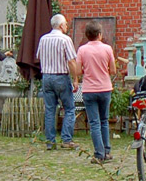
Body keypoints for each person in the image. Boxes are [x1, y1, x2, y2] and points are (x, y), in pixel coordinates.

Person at [36, 13, 81, 149]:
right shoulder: (65, 39)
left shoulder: (43, 39)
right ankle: (66, 139)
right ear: (61, 25)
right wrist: (75, 79)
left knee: (50, 110)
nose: (67, 26)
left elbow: (38, 56)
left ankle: (50, 141)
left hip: (46, 76)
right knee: (69, 108)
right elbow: (71, 61)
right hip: (61, 76)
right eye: (66, 24)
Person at [76, 21, 118, 164]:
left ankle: (99, 153)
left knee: (94, 123)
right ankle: (107, 151)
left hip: (89, 89)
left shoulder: (82, 50)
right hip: (105, 88)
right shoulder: (107, 49)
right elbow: (113, 70)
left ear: (87, 35)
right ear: (99, 35)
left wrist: (86, 71)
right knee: (104, 121)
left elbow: (77, 70)